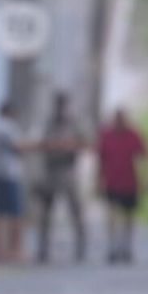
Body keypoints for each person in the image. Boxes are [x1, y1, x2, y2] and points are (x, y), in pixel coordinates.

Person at [36, 92, 87, 263]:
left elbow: (84, 142)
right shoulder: (48, 123)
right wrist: (53, 145)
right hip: (51, 171)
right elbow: (40, 143)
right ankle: (43, 249)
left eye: (62, 105)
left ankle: (81, 248)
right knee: (45, 214)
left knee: (76, 212)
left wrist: (69, 146)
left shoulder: (73, 123)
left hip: (68, 171)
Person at [97, 109, 148, 263]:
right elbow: (100, 159)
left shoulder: (133, 135)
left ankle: (126, 246)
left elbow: (143, 158)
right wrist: (98, 180)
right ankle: (113, 246)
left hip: (129, 182)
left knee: (128, 216)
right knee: (112, 214)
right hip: (112, 181)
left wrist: (145, 179)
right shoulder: (106, 135)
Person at [0, 101, 27, 263]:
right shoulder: (7, 127)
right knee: (15, 213)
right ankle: (14, 250)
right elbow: (18, 146)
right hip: (9, 174)